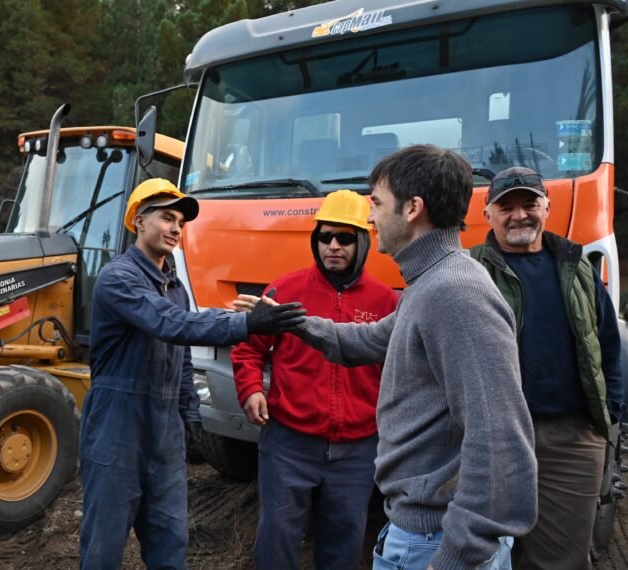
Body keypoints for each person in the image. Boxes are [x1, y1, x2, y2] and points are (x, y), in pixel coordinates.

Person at [275, 145, 538, 569]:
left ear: (413, 208)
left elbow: (500, 442)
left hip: (437, 545)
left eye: (376, 204)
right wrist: (290, 321)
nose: (371, 218)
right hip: (418, 535)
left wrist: (457, 555)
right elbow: (369, 340)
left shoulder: (454, 293)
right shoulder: (428, 283)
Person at [78, 178, 305, 569]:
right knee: (104, 543)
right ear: (138, 221)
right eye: (166, 218)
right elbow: (170, 324)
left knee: (170, 538)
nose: (175, 229)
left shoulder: (175, 286)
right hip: (117, 423)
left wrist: (188, 415)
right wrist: (247, 325)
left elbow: (179, 353)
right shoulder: (119, 279)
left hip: (163, 429)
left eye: (180, 223)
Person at [230, 190, 398, 569]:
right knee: (277, 541)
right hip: (290, 442)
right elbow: (248, 348)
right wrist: (252, 389)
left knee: (344, 543)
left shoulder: (386, 302)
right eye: (325, 237)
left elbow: (398, 372)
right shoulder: (285, 292)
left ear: (363, 242)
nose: (333, 246)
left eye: (344, 238)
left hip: (357, 450)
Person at [470, 166, 623, 569]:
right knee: (486, 554)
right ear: (488, 215)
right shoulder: (469, 273)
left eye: (529, 204)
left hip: (571, 439)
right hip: (492, 439)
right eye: (506, 207)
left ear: (547, 208)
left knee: (562, 558)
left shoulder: (580, 269)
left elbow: (608, 345)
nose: (519, 215)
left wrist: (608, 418)